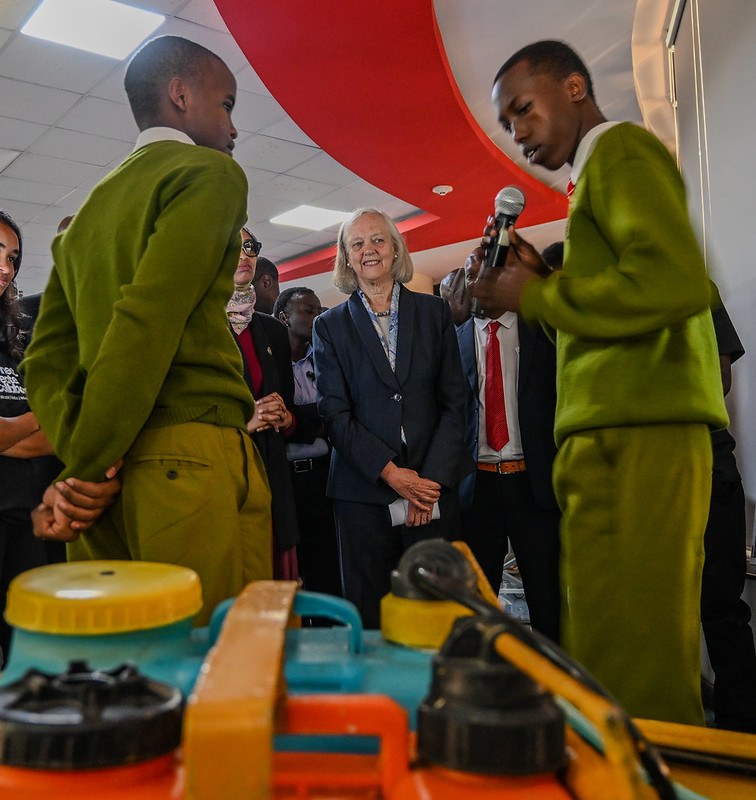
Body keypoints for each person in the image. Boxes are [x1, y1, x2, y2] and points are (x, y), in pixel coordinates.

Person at [469, 40, 727, 724]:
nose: (518, 133)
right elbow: (611, 316)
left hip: (639, 438)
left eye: (524, 110)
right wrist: (547, 282)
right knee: (609, 655)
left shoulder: (620, 150)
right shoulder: (594, 181)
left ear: (575, 87)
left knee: (640, 664)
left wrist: (538, 298)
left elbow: (672, 284)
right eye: (507, 124)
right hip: (612, 440)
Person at [22, 36, 272, 626]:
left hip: (103, 487)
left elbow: (45, 362)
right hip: (190, 456)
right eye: (228, 104)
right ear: (180, 94)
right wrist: (89, 466)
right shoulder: (210, 174)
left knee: (130, 668)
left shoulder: (80, 222)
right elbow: (148, 321)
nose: (234, 128)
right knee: (217, 665)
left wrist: (86, 463)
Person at [312, 208, 474, 629]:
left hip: (433, 490)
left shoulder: (434, 312)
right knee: (371, 618)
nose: (369, 250)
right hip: (363, 496)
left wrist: (426, 482)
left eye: (378, 239)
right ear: (346, 258)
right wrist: (392, 474)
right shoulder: (328, 326)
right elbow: (334, 411)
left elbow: (455, 401)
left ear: (396, 248)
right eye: (357, 243)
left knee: (437, 614)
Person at [0, 210, 120, 665]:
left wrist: (34, 423)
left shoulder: (126, 316)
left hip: (37, 505)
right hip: (42, 490)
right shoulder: (30, 315)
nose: (7, 266)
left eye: (13, 257)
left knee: (36, 642)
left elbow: (39, 428)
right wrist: (57, 415)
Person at [457, 246, 561, 642]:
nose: (475, 285)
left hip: (533, 485)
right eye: (468, 277)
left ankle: (554, 687)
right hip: (476, 488)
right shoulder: (453, 340)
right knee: (477, 604)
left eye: (483, 273)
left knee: (547, 599)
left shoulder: (543, 331)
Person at [229, 229, 299, 579]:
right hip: (222, 484)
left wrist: (285, 418)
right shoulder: (191, 325)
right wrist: (246, 422)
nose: (245, 253)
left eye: (250, 247)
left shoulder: (271, 330)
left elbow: (291, 408)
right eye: (234, 244)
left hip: (272, 478)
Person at [702, 304, 756, 732]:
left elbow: (719, 379)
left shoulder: (697, 291)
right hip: (649, 469)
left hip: (707, 457)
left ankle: (740, 728)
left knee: (722, 606)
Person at [273, 286, 342, 601]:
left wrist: (299, 420)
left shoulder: (328, 359)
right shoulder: (270, 365)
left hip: (325, 475)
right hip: (285, 479)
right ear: (285, 317)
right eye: (309, 310)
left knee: (327, 565)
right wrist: (312, 421)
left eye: (320, 310)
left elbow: (336, 411)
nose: (318, 316)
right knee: (290, 570)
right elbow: (276, 421)